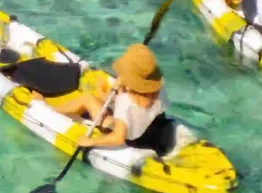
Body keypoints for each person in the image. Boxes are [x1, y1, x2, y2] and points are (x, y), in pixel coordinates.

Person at [45, 43, 177, 156]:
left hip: (133, 138)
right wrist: (124, 88)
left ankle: (49, 110)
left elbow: (118, 138)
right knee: (103, 99)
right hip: (152, 134)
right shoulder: (160, 91)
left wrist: (90, 142)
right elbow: (143, 107)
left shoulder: (125, 102)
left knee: (88, 99)